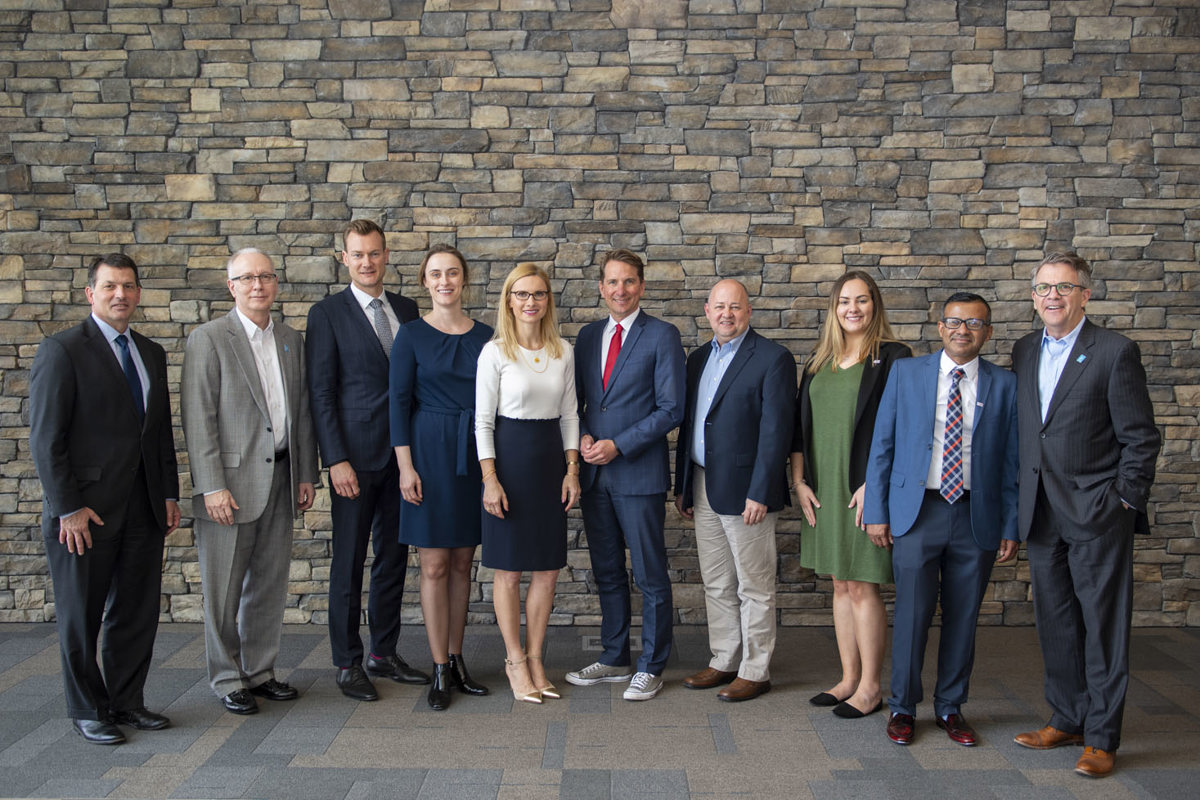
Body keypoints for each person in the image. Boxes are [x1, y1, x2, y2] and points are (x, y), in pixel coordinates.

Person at [1011, 252, 1160, 778]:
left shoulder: (1114, 352)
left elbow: (1140, 437)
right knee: (1055, 623)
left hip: (1097, 512)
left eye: (1064, 288)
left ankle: (1101, 737)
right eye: (1044, 288)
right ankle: (1067, 717)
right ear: (1033, 296)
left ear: (1085, 295)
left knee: (1102, 627)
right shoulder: (1025, 349)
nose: (1052, 296)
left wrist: (1123, 499)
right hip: (1042, 512)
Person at [29, 254, 180, 745]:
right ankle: (87, 708)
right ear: (90, 292)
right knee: (82, 613)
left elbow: (157, 434)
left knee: (136, 611)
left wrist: (169, 493)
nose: (121, 295)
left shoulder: (150, 352)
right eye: (110, 286)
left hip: (143, 506)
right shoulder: (63, 350)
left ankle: (126, 701)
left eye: (129, 286)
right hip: (85, 512)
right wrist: (67, 507)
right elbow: (46, 439)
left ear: (138, 293)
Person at [863, 292, 1019, 747]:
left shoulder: (1005, 385)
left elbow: (1011, 462)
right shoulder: (907, 374)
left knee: (963, 616)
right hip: (918, 512)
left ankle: (951, 707)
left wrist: (1010, 524)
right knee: (911, 614)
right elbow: (882, 446)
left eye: (973, 323)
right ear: (940, 326)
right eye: (954, 321)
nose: (962, 330)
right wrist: (877, 511)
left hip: (977, 514)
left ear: (987, 332)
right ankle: (903, 707)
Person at [181, 248, 319, 715]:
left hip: (282, 476)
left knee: (269, 582)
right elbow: (197, 419)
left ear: (275, 283)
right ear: (231, 286)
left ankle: (259, 672)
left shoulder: (289, 340)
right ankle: (226, 678)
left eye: (265, 276)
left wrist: (305, 473)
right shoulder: (209, 339)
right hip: (229, 487)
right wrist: (210, 485)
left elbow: (299, 411)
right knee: (223, 589)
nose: (257, 285)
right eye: (247, 278)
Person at [306, 219, 427, 703]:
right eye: (357, 255)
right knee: (350, 562)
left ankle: (384, 652)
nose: (367, 262)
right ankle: (347, 661)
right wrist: (334, 459)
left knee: (394, 559)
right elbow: (321, 392)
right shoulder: (327, 313)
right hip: (353, 460)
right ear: (345, 259)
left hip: (404, 458)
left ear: (387, 254)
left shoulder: (407, 308)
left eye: (374, 253)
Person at [566, 249, 686, 702]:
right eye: (613, 282)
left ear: (642, 286)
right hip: (596, 476)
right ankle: (615, 657)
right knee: (608, 571)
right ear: (601, 287)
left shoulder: (662, 335)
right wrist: (581, 437)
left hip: (638, 473)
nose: (621, 290)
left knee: (650, 574)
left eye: (630, 282)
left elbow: (671, 408)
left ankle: (651, 665)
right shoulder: (588, 335)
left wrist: (619, 444)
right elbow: (575, 402)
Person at [790, 270, 910, 719]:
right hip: (822, 491)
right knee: (839, 585)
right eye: (844, 301)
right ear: (833, 309)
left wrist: (877, 487)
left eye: (862, 300)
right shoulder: (818, 363)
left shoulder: (894, 358)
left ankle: (872, 687)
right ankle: (847, 678)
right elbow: (798, 432)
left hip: (863, 491)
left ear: (875, 306)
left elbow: (904, 428)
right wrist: (798, 482)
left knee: (863, 586)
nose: (852, 309)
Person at [674, 279, 796, 702]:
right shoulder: (698, 359)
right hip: (704, 483)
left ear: (749, 312)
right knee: (717, 581)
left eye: (736, 307)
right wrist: (683, 487)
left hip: (748, 491)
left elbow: (776, 431)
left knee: (754, 585)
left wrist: (761, 490)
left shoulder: (773, 358)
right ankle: (724, 659)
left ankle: (756, 669)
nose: (727, 314)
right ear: (707, 310)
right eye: (719, 307)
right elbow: (693, 427)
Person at [390, 244, 493, 710]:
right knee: (432, 563)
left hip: (473, 453)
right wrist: (405, 466)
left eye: (453, 272)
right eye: (436, 274)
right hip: (427, 450)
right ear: (425, 282)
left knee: (461, 564)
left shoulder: (489, 336)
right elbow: (397, 402)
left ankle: (456, 659)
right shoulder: (410, 335)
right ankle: (436, 667)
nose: (445, 281)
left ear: (464, 279)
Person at [475, 263, 580, 704]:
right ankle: (514, 660)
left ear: (547, 300)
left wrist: (573, 470)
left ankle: (537, 658)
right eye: (522, 294)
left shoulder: (564, 351)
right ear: (509, 300)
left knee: (548, 569)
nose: (530, 302)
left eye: (538, 294)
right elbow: (482, 421)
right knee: (509, 568)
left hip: (549, 463)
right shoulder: (495, 352)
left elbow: (572, 414)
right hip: (510, 463)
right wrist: (490, 479)